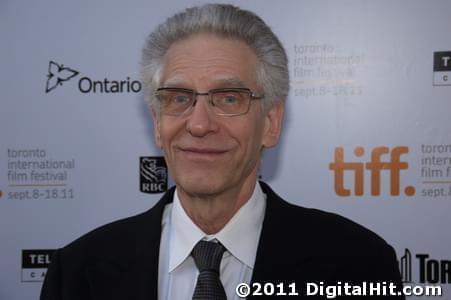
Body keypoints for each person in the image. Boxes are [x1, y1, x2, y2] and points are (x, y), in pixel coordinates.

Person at [41, 3, 404, 300]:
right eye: (179, 98)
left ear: (272, 122)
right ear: (156, 122)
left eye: (229, 98)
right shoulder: (76, 272)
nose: (199, 124)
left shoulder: (359, 265)